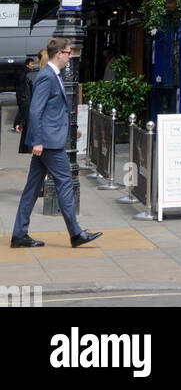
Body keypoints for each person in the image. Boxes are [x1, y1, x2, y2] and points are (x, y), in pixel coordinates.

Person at [11, 36, 102, 249]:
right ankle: (76, 233)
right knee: (65, 184)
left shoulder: (53, 74)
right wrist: (39, 141)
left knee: (32, 188)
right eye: (69, 52)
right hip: (49, 143)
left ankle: (19, 234)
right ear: (59, 53)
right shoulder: (47, 76)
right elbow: (35, 110)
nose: (71, 56)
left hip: (48, 142)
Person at [12, 57, 35, 132]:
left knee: (21, 112)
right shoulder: (29, 74)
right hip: (25, 98)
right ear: (27, 65)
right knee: (23, 114)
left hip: (21, 97)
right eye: (32, 64)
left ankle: (16, 125)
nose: (33, 65)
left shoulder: (23, 73)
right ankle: (18, 125)